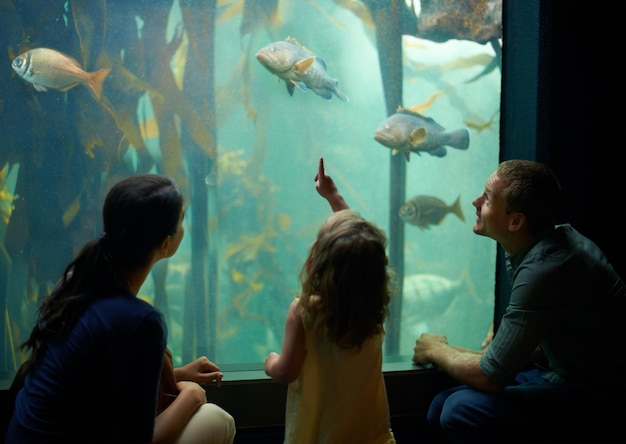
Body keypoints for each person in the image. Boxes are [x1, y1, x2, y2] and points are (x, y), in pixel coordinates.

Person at [5, 174, 235, 444]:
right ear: (165, 243)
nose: (185, 224)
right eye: (181, 219)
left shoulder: (73, 284)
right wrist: (193, 394)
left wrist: (176, 375)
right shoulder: (140, 321)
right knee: (216, 419)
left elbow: (92, 382)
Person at [412, 159, 626, 442]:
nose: (475, 201)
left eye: (487, 198)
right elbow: (532, 350)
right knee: (441, 403)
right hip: (557, 372)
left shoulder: (546, 268)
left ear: (515, 221)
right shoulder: (535, 245)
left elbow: (490, 377)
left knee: (458, 410)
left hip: (596, 394)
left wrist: (436, 349)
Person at [264, 157, 396, 444]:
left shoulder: (305, 310)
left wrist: (270, 361)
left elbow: (287, 370)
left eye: (318, 240)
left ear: (317, 261)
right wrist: (334, 197)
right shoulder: (373, 304)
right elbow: (367, 250)